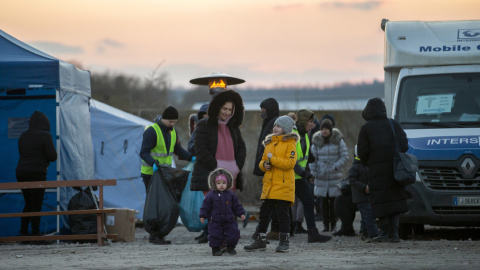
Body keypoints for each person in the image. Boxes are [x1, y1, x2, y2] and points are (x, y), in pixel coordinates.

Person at [191, 89, 247, 243]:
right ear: (217, 107)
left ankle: (227, 241)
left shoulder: (233, 127)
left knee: (229, 210)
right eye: (224, 109)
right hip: (211, 176)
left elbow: (242, 148)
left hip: (231, 177)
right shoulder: (203, 125)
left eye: (230, 109)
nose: (227, 113)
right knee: (216, 210)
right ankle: (217, 241)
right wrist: (216, 167)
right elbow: (200, 149)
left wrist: (237, 167)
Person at [140, 106, 194, 245]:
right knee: (156, 205)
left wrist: (190, 157)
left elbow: (177, 149)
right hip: (151, 174)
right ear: (163, 118)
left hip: (165, 174)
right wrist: (153, 163)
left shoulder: (172, 131)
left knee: (167, 205)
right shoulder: (152, 131)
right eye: (170, 121)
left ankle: (159, 234)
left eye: (174, 121)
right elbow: (143, 152)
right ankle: (154, 235)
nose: (172, 124)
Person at [357, 97, 408, 243]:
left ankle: (385, 232)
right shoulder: (393, 124)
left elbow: (362, 152)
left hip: (376, 171)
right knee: (395, 200)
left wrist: (370, 163)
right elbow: (404, 145)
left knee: (380, 201)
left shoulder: (366, 128)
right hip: (394, 169)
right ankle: (395, 234)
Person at [244, 116, 298, 253]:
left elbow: (290, 164)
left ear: (285, 129)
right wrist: (265, 165)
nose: (275, 128)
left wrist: (272, 159)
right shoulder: (269, 143)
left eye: (278, 126)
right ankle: (260, 240)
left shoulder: (290, 143)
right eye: (275, 125)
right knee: (264, 213)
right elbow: (262, 162)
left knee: (282, 215)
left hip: (283, 185)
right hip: (270, 185)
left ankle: (284, 242)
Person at [16, 111, 57, 241]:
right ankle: (35, 234)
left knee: (28, 202)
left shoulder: (23, 135)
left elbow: (21, 152)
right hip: (37, 172)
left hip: (21, 172)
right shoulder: (46, 135)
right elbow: (52, 156)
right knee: (36, 203)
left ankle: (23, 232)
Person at [292, 109, 332, 243]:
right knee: (278, 204)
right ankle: (262, 233)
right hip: (292, 176)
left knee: (308, 201)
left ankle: (312, 233)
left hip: (298, 177)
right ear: (303, 121)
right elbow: (292, 161)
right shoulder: (295, 136)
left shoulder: (305, 134)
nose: (313, 124)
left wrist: (312, 160)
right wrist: (305, 174)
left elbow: (305, 155)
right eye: (310, 122)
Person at [309, 119, 349, 232]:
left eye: (326, 129)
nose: (324, 131)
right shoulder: (316, 141)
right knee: (323, 202)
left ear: (331, 130)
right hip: (321, 175)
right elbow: (312, 160)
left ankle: (334, 223)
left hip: (334, 175)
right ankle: (326, 224)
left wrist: (336, 166)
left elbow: (345, 156)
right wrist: (313, 173)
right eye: (322, 129)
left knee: (334, 202)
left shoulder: (338, 140)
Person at [199, 168, 246, 256]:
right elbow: (205, 206)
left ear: (227, 183)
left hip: (229, 220)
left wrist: (241, 214)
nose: (221, 185)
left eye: (223, 183)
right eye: (219, 183)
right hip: (215, 220)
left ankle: (231, 247)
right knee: (215, 234)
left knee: (233, 233)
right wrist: (203, 216)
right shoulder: (211, 195)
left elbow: (236, 206)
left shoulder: (231, 194)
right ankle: (216, 249)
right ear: (214, 184)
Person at [349, 145, 379, 241]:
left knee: (366, 215)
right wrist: (363, 187)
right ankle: (373, 234)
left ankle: (364, 232)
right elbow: (352, 180)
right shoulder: (355, 167)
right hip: (360, 196)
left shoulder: (367, 165)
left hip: (367, 196)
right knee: (369, 215)